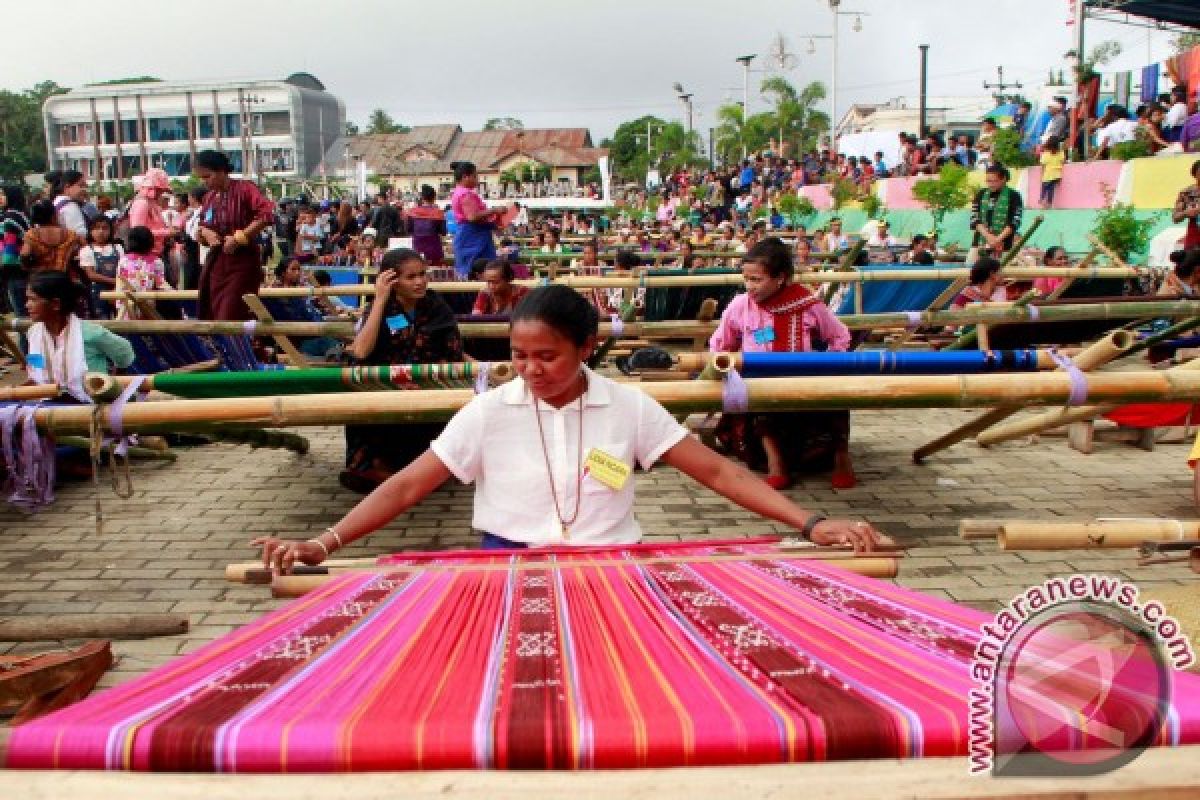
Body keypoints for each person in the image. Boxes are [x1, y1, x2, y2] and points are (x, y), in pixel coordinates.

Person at [254, 283, 889, 569]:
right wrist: (324, 544)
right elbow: (404, 487)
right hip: (504, 569)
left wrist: (811, 525)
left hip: (614, 566)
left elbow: (718, 471)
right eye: (519, 356)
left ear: (586, 347)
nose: (529, 370)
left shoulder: (630, 407)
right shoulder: (486, 413)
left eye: (547, 356)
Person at [709, 237, 856, 491]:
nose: (750, 286)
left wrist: (830, 365)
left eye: (757, 280)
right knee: (760, 401)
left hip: (805, 379)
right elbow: (719, 344)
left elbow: (839, 335)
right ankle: (776, 463)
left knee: (838, 398)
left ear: (781, 278)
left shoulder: (807, 305)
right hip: (761, 381)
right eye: (746, 279)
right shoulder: (740, 306)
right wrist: (728, 370)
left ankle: (841, 458)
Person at [340, 248, 464, 493]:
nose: (419, 282)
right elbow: (361, 351)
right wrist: (379, 300)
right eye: (410, 277)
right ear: (392, 281)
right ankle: (381, 471)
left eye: (422, 274)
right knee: (366, 397)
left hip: (428, 382)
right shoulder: (382, 307)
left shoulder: (436, 305)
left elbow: (453, 351)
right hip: (386, 384)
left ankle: (405, 475)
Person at [23, 271, 134, 403]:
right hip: (48, 404)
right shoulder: (33, 333)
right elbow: (36, 367)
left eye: (33, 299)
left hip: (89, 405)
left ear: (55, 304)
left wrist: (113, 382)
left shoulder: (89, 333)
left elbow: (125, 351)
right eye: (28, 299)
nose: (27, 305)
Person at [192, 149, 275, 321]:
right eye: (201, 178)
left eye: (207, 177)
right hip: (217, 263)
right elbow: (202, 226)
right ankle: (222, 348)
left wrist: (240, 237)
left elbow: (266, 215)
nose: (204, 182)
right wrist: (205, 233)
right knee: (213, 312)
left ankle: (239, 347)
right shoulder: (209, 197)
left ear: (221, 171)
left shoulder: (245, 189)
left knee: (231, 313)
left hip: (242, 262)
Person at [450, 161, 502, 279]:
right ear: (465, 176)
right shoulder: (466, 193)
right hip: (472, 238)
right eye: (475, 176)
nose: (477, 180)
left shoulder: (458, 192)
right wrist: (495, 210)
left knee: (475, 270)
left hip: (470, 235)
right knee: (477, 271)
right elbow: (472, 217)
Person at [115, 226, 171, 319]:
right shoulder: (156, 261)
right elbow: (160, 283)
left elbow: (120, 282)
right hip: (147, 301)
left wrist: (118, 300)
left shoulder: (123, 260)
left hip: (127, 301)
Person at [971, 164, 1023, 256]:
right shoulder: (981, 194)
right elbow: (975, 218)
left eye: (994, 181)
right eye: (988, 181)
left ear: (1003, 179)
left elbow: (1015, 221)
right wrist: (988, 236)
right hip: (980, 244)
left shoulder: (1014, 196)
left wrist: (997, 240)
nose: (990, 184)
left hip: (1004, 245)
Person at [78, 216, 122, 318]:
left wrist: (117, 286)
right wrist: (114, 281)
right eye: (97, 228)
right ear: (90, 231)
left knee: (119, 318)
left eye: (105, 228)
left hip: (118, 291)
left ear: (111, 230)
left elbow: (122, 269)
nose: (101, 232)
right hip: (97, 295)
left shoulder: (118, 248)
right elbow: (91, 275)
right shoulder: (86, 251)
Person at [128, 168, 174, 256]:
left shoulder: (152, 203)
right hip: (145, 254)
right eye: (161, 190)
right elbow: (138, 232)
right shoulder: (142, 203)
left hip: (155, 252)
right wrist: (167, 232)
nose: (162, 193)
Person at [1, 186, 31, 316]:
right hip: (26, 268)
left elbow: (10, 248)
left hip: (15, 270)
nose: (0, 198)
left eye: (3, 194)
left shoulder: (9, 218)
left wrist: (4, 267)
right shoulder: (23, 215)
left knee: (21, 313)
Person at [405, 185, 446, 265]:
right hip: (434, 249)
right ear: (434, 197)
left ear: (422, 198)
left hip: (417, 247)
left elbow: (408, 230)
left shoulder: (412, 212)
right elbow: (443, 232)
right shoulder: (438, 213)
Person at [48, 170, 89, 239]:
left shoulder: (55, 203)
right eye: (81, 186)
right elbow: (80, 234)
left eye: (85, 186)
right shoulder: (69, 206)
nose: (84, 190)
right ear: (67, 187)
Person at [1173, 160, 1200, 250]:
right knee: (1190, 261)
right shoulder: (1186, 193)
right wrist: (1186, 213)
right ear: (1195, 175)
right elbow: (1175, 218)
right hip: (1195, 234)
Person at [1039, 137, 1066, 208]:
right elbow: (1063, 162)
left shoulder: (1046, 154)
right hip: (1057, 175)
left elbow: (1042, 165)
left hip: (1048, 175)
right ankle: (1049, 203)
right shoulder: (1061, 152)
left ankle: (1042, 200)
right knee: (1051, 188)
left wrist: (1041, 175)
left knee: (1045, 188)